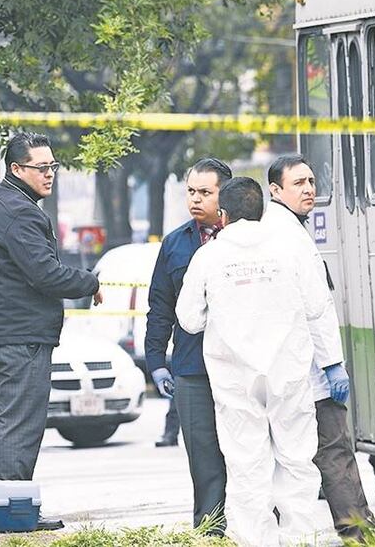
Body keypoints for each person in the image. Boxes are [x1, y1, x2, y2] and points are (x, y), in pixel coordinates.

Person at [177, 177, 331, 547]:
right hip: (288, 370)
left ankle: (254, 540)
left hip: (234, 377)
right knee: (297, 459)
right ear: (261, 211)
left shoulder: (208, 256)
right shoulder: (290, 248)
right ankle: (301, 539)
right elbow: (316, 306)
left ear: (223, 215)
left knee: (246, 463)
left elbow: (189, 319)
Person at [0, 132, 101, 531]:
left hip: (7, 331)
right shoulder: (19, 213)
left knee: (9, 420)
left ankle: (6, 505)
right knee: (20, 424)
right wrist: (90, 282)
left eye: (52, 166)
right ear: (16, 168)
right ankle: (13, 510)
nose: (49, 174)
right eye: (41, 167)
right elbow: (45, 273)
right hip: (21, 335)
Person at [263, 153, 375, 541]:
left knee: (293, 458)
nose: (309, 189)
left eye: (311, 181)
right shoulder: (287, 237)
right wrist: (332, 364)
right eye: (299, 183)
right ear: (275, 190)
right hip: (309, 369)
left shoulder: (283, 230)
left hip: (286, 370)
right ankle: (357, 532)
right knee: (334, 451)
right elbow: (315, 308)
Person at [144, 158, 233, 533]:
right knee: (203, 456)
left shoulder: (247, 239)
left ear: (224, 194)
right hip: (192, 367)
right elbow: (159, 307)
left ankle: (258, 529)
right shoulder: (175, 243)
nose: (195, 199)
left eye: (205, 192)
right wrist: (156, 362)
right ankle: (210, 530)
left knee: (250, 453)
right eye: (191, 192)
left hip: (242, 366)